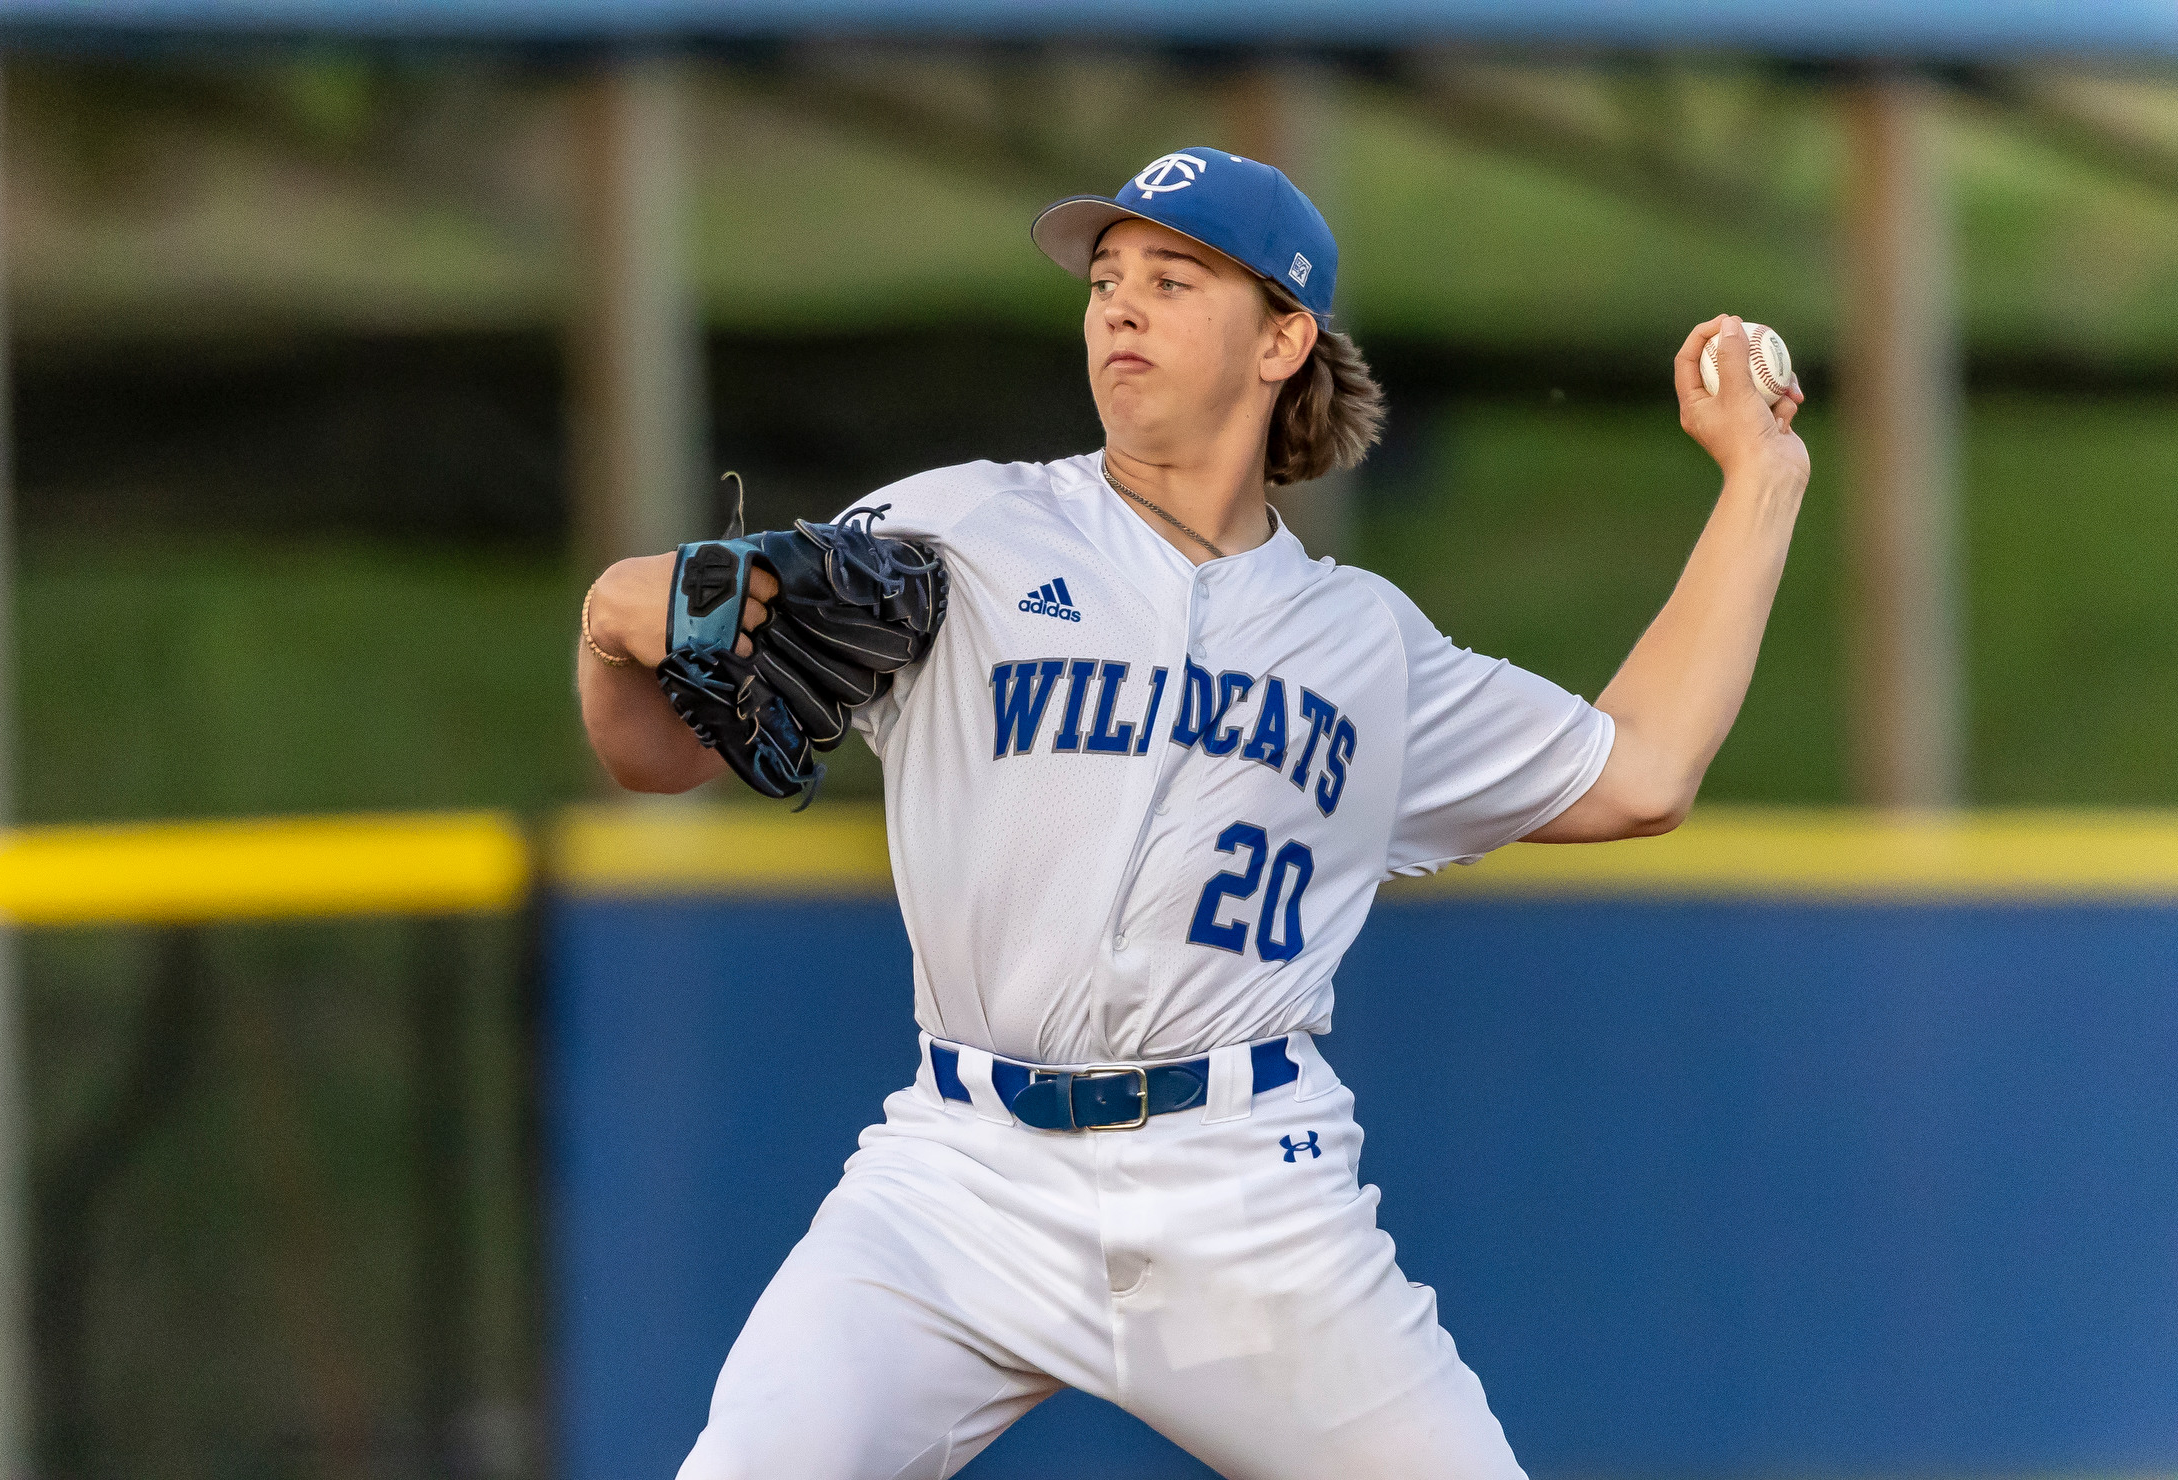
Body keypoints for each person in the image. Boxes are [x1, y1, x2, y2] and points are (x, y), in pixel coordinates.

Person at [578, 146, 1809, 1480]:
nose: (1118, 306)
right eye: (1106, 279)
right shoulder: (958, 530)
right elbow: (656, 751)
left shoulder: (1363, 645)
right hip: (957, 1183)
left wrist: (1760, 480)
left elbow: (1637, 774)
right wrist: (609, 627)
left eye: (1172, 279)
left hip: (1243, 1193)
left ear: (1283, 337)